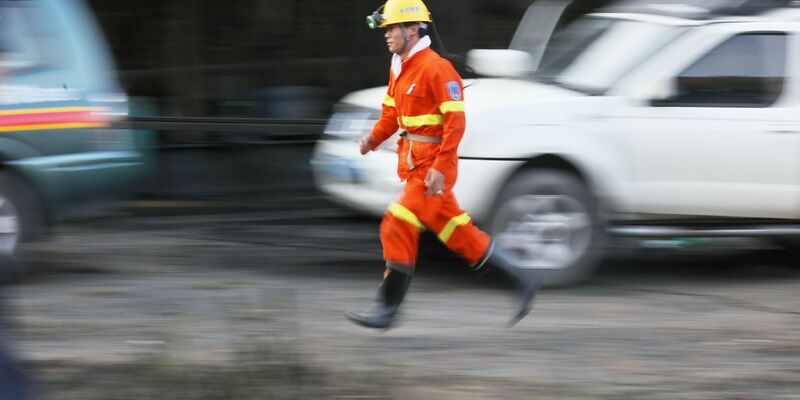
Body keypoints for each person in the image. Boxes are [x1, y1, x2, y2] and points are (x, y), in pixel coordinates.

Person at [347, 0, 542, 330]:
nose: (387, 34)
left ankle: (387, 307)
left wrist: (439, 167)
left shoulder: (436, 69)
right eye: (386, 29)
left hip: (432, 170)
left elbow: (456, 122)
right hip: (415, 168)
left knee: (397, 222)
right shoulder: (400, 66)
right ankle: (522, 278)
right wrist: (372, 138)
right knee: (458, 233)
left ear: (413, 29)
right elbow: (391, 115)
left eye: (392, 28)